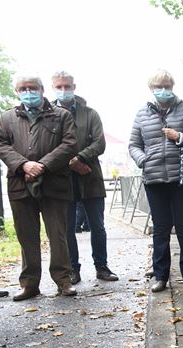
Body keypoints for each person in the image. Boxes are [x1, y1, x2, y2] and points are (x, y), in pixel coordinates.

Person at [0, 74, 78, 301]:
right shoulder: (7, 117)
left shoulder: (61, 115)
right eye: (23, 89)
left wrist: (43, 165)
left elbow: (70, 143)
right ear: (17, 92)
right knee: (26, 236)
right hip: (20, 184)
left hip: (54, 184)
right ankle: (30, 284)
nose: (28, 92)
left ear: (42, 89)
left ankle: (64, 281)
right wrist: (23, 164)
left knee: (58, 234)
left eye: (33, 88)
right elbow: (0, 144)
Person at [129, 70, 183, 292]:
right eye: (158, 86)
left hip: (182, 178)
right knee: (161, 229)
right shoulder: (141, 114)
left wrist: (180, 137)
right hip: (154, 179)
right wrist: (143, 160)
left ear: (172, 86)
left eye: (166, 85)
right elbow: (133, 144)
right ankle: (160, 276)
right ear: (151, 89)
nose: (162, 90)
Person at [51, 71, 118, 285]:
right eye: (59, 86)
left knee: (97, 226)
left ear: (74, 86)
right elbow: (48, 145)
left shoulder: (90, 114)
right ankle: (72, 269)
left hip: (90, 178)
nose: (64, 90)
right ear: (53, 88)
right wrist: (68, 162)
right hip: (62, 180)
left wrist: (80, 158)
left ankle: (102, 266)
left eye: (67, 86)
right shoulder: (49, 114)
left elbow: (99, 143)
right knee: (67, 227)